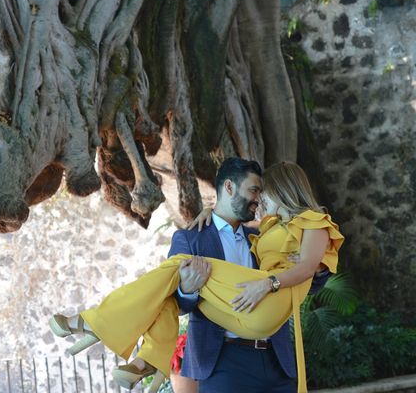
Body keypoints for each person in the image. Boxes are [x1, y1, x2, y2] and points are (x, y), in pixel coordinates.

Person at [50, 159, 342, 393]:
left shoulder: (262, 235)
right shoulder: (191, 237)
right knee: (174, 278)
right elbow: (177, 303)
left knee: (177, 267)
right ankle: (128, 345)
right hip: (223, 361)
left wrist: (316, 266)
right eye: (254, 190)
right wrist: (188, 291)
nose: (259, 199)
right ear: (229, 187)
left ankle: (128, 344)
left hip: (275, 359)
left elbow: (307, 280)